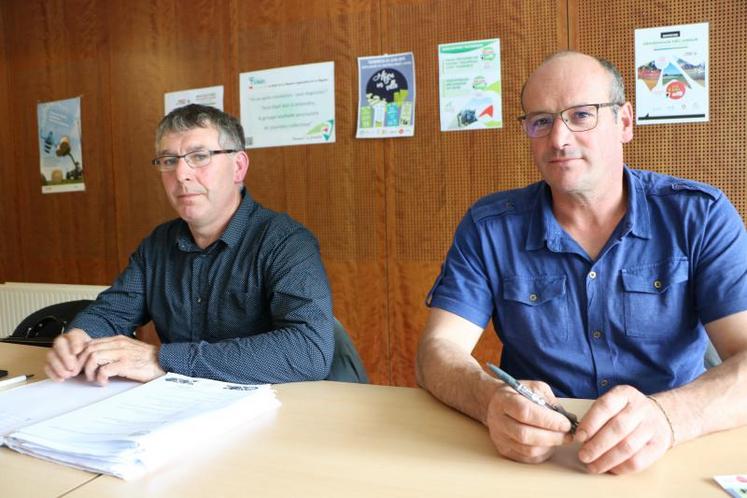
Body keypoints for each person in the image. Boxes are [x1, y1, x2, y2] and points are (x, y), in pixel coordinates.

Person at [416, 51, 747, 475]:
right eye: (541, 120)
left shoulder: (700, 216)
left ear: (624, 122)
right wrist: (489, 401)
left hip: (671, 455)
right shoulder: (489, 227)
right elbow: (437, 351)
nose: (559, 139)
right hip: (534, 461)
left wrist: (669, 417)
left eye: (581, 115)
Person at [45, 104, 335, 385]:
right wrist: (79, 337)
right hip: (179, 406)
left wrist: (163, 359)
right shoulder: (158, 244)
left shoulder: (285, 242)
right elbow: (111, 313)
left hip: (271, 411)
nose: (181, 175)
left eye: (199, 156)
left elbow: (309, 350)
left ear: (238, 167)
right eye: (169, 160)